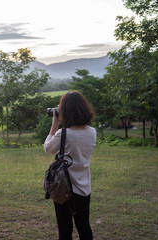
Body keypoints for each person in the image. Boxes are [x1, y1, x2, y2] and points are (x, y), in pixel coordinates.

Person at [44, 91, 96, 240]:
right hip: (84, 187)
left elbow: (47, 148)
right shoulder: (92, 132)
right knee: (84, 227)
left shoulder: (64, 134)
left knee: (65, 229)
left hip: (64, 188)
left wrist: (55, 124)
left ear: (65, 111)